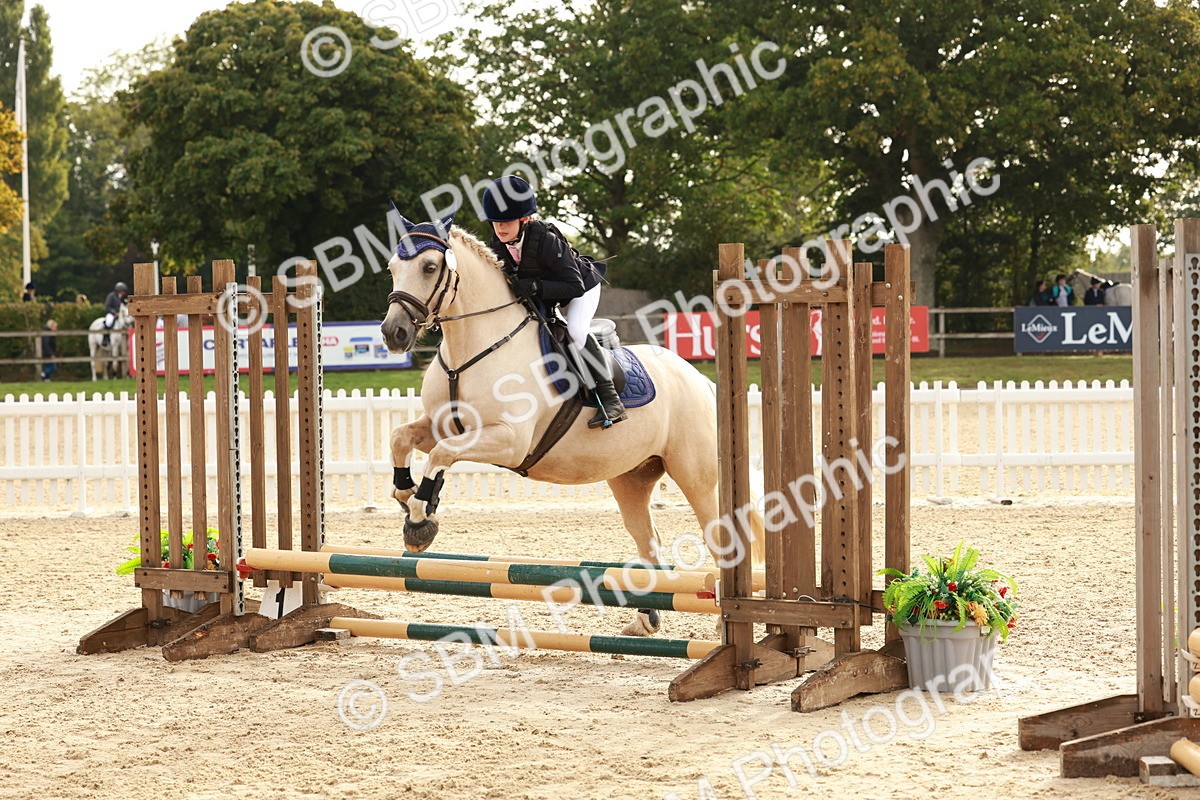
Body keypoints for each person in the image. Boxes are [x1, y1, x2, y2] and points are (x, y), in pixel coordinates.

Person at [480, 175, 626, 428]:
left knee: (575, 330)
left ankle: (611, 399)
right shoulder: (498, 245)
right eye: (495, 222)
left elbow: (575, 287)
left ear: (524, 219)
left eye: (506, 222)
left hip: (581, 288)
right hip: (548, 295)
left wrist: (535, 286)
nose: (500, 228)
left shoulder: (546, 240)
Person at [102, 282, 129, 346]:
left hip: (119, 315)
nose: (124, 293)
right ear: (119, 290)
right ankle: (105, 338)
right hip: (111, 313)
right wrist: (114, 313)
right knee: (109, 322)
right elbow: (107, 306)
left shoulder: (120, 297)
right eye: (123, 291)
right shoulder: (111, 296)